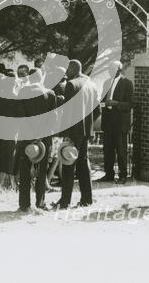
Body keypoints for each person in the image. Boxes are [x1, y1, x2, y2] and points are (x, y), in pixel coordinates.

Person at [56, 60, 100, 209]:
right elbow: (98, 110)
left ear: (73, 69)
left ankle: (65, 201)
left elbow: (67, 112)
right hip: (86, 131)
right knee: (83, 163)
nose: (66, 73)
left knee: (68, 164)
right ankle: (87, 199)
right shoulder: (91, 84)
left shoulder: (71, 84)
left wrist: (66, 133)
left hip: (73, 131)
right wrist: (88, 125)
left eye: (67, 69)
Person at [15, 69, 57, 211]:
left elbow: (20, 118)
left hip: (26, 139)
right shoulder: (50, 94)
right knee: (42, 172)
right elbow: (53, 120)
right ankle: (40, 202)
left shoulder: (22, 92)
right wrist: (40, 136)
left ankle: (24, 204)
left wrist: (30, 136)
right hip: (44, 139)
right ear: (41, 77)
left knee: (25, 172)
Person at [97, 61, 134, 184]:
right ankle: (109, 174)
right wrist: (103, 104)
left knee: (121, 151)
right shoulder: (107, 82)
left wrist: (116, 103)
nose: (109, 71)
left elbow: (130, 104)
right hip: (108, 122)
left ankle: (123, 175)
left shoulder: (127, 83)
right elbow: (102, 100)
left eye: (112, 69)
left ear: (119, 69)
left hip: (120, 123)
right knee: (107, 150)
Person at [0, 71, 18, 188]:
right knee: (10, 155)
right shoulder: (17, 97)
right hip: (13, 130)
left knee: (3, 154)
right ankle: (10, 183)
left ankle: (2, 183)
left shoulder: (0, 97)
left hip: (2, 128)